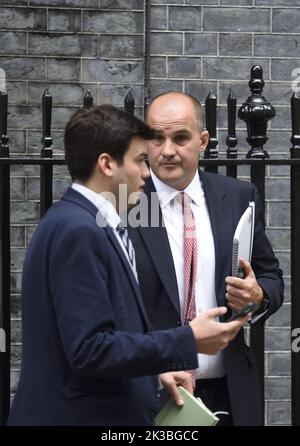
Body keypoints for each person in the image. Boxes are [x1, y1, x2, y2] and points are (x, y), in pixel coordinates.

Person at [7, 104, 247, 426]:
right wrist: (188, 339)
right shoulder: (78, 231)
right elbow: (90, 350)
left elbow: (106, 335)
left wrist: (151, 375)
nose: (147, 173)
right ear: (107, 164)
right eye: (138, 161)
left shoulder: (87, 223)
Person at [128, 92, 284, 426]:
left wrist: (257, 297)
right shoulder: (128, 203)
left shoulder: (238, 197)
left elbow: (270, 276)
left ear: (202, 141)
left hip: (228, 391)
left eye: (180, 138)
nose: (167, 150)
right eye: (157, 137)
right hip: (151, 394)